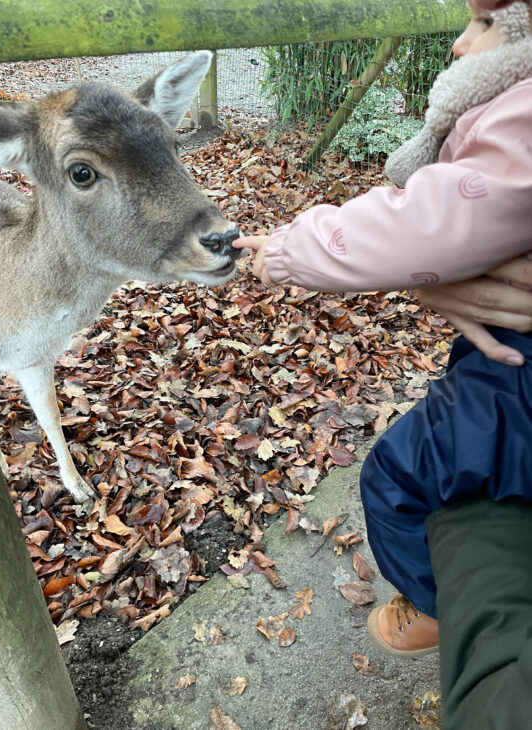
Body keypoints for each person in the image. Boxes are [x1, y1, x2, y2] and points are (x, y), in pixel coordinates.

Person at [234, 2, 532, 722]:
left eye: (487, 29)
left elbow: (430, 222)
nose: (461, 44)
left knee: (396, 471)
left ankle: (433, 601)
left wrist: (295, 248)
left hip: (516, 365)